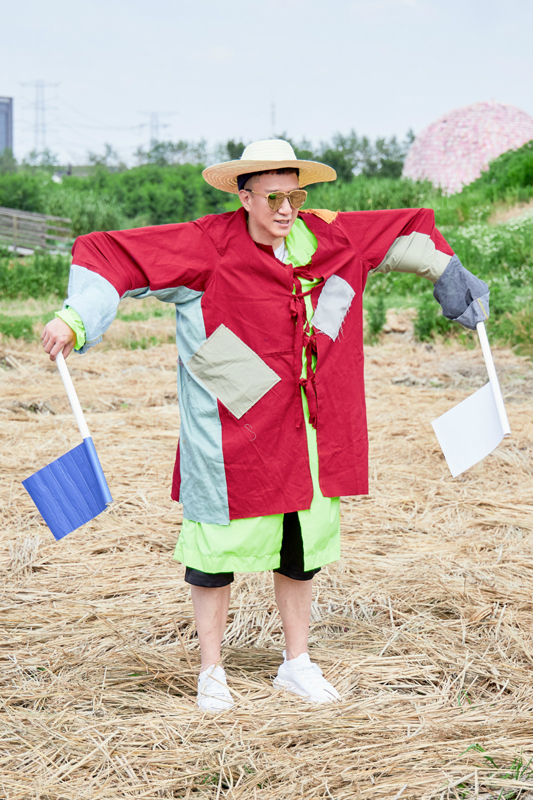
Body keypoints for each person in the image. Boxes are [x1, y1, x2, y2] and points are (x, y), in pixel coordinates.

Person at [41, 139, 490, 712]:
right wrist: (75, 318)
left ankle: (296, 663)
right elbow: (114, 255)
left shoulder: (330, 238)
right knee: (215, 549)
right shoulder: (206, 244)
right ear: (244, 196)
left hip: (308, 418)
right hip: (234, 412)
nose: (285, 209)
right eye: (272, 197)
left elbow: (406, 232)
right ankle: (211, 672)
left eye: (294, 196)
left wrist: (451, 274)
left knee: (301, 544)